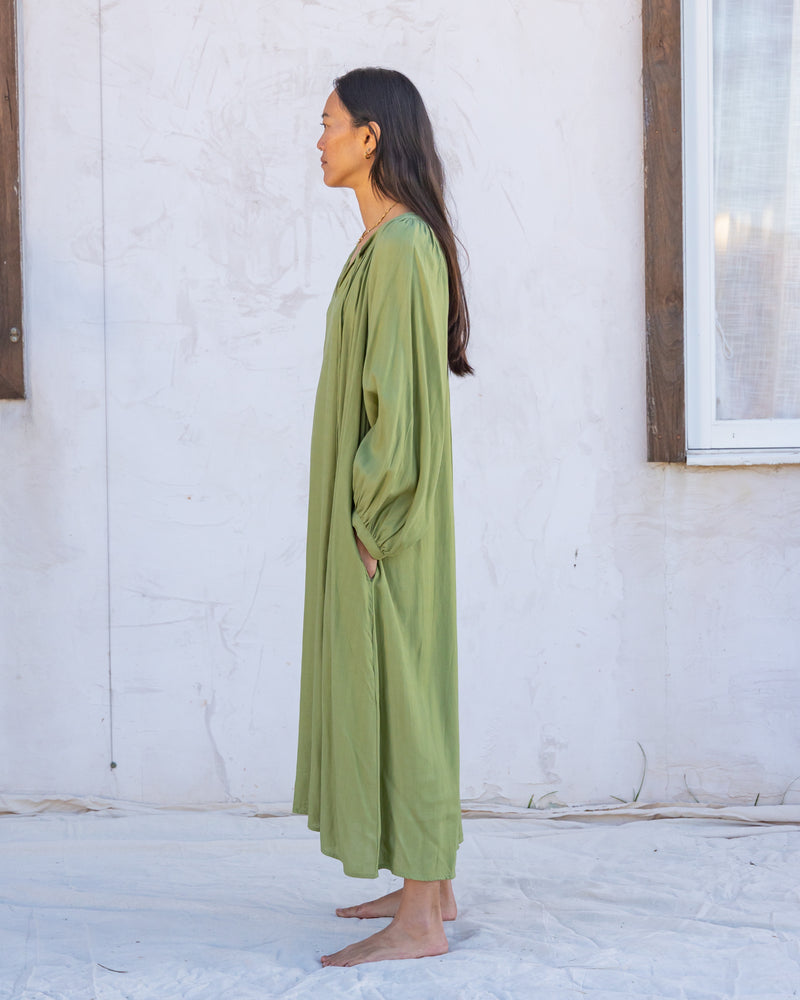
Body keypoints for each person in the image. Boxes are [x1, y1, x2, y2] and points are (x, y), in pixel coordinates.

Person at [292, 66, 473, 968]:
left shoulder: (400, 247)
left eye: (327, 123)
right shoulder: (389, 244)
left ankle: (421, 927)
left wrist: (370, 519)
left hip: (386, 522)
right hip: (388, 519)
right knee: (412, 695)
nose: (315, 140)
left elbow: (394, 407)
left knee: (401, 698)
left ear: (370, 137)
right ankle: (426, 886)